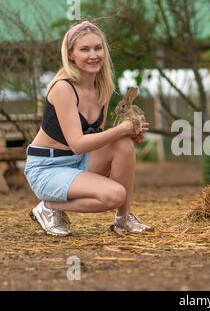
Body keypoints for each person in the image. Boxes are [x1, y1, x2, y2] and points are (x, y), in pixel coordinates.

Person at [24, 21, 153, 236]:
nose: (93, 55)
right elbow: (77, 144)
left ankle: (123, 219)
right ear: (71, 55)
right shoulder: (63, 88)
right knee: (114, 195)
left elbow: (96, 138)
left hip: (77, 162)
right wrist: (121, 130)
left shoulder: (102, 88)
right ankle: (48, 207)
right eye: (84, 49)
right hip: (47, 168)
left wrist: (128, 133)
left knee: (122, 145)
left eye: (97, 48)